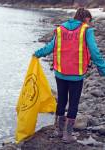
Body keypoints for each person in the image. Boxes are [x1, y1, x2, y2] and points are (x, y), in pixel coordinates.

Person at [34, 7, 105, 143]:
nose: (89, 24)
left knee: (61, 100)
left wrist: (37, 54)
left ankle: (59, 130)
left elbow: (50, 47)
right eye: (89, 21)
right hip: (76, 75)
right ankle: (67, 135)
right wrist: (103, 69)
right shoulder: (86, 30)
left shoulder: (60, 29)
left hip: (60, 73)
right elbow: (94, 52)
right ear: (85, 19)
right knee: (73, 103)